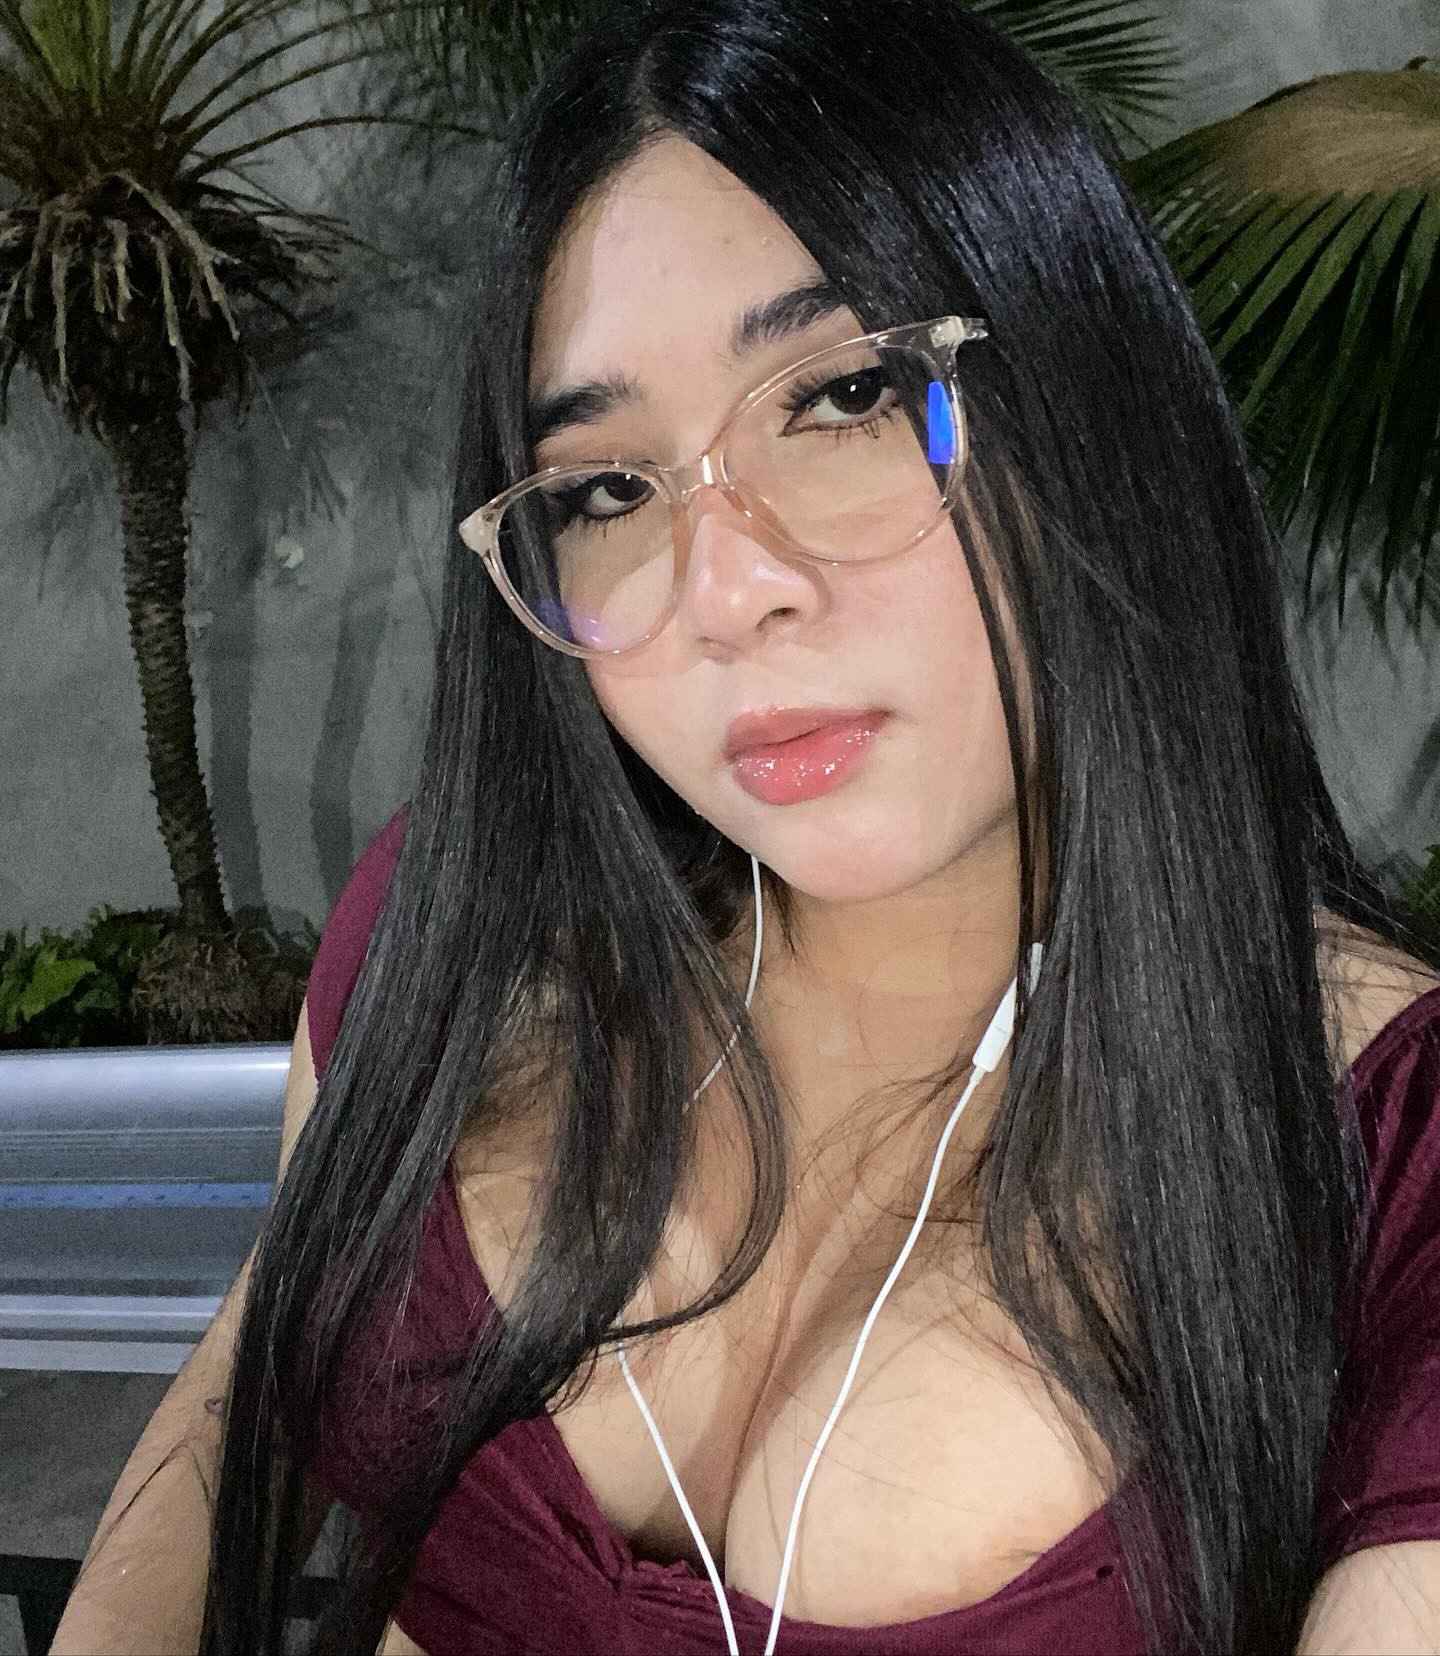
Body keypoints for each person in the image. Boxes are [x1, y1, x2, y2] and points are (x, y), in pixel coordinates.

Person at [51, 1, 1440, 1652]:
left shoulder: (1386, 1148)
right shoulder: (453, 926)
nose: (723, 591)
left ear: (1091, 395)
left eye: (846, 396)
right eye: (605, 490)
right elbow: (251, 1373)